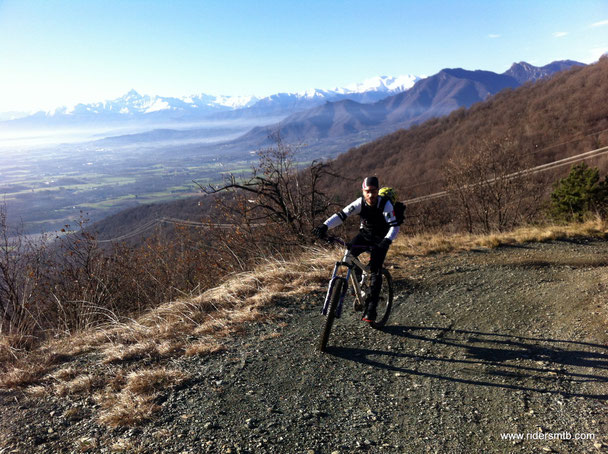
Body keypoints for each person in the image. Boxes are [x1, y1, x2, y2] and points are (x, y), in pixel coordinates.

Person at [312, 176, 400, 323]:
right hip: (364, 235)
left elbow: (394, 226)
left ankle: (371, 309)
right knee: (349, 253)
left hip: (381, 239)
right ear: (363, 191)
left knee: (375, 271)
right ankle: (357, 279)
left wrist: (386, 241)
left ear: (378, 191)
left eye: (373, 191)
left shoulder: (385, 205)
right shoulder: (360, 203)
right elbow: (342, 215)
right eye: (367, 191)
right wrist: (325, 226)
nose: (371, 195)